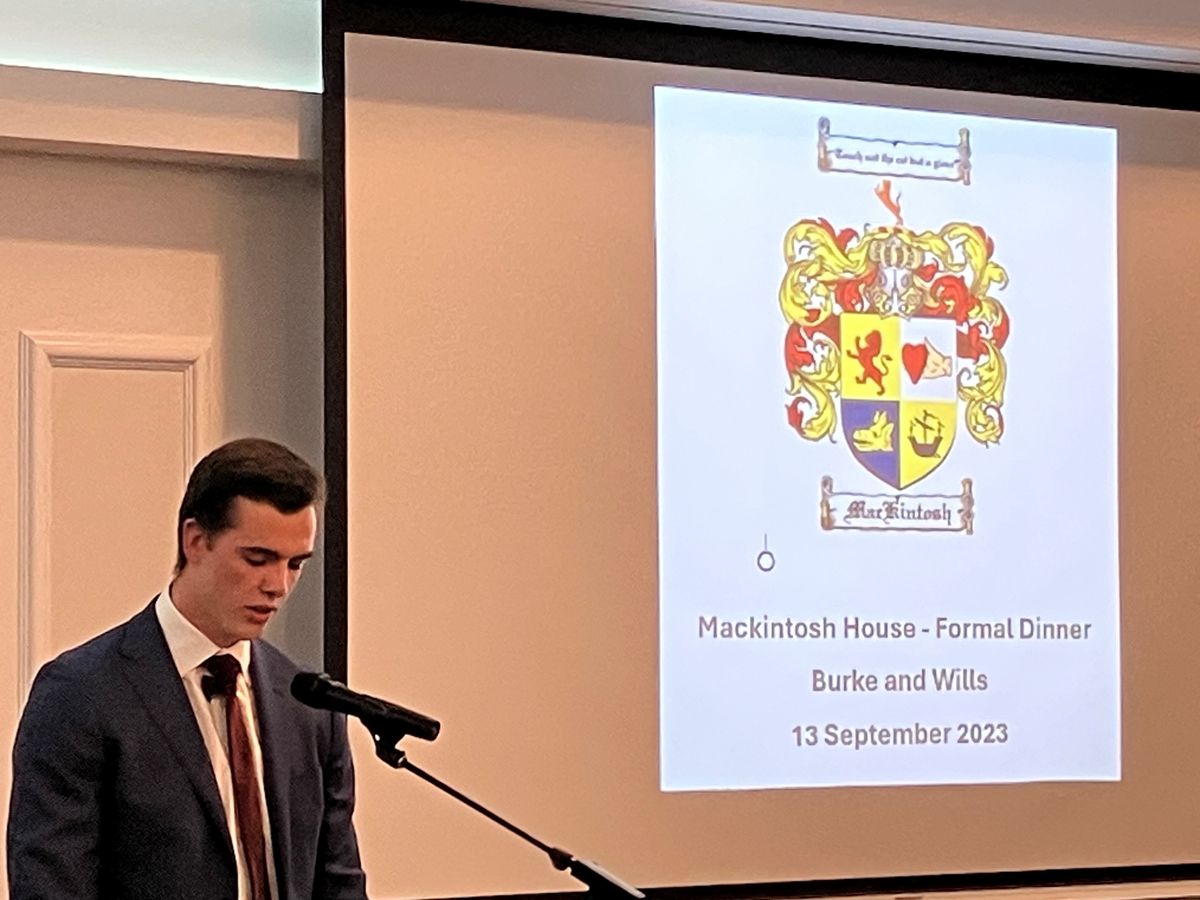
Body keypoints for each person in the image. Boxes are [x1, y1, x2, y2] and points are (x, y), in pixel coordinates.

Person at [7, 438, 368, 899]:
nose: (278, 585)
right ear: (195, 540)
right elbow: (50, 886)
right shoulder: (81, 693)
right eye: (257, 559)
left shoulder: (310, 704)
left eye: (295, 564)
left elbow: (340, 885)